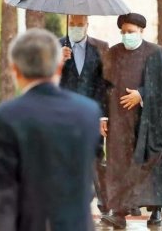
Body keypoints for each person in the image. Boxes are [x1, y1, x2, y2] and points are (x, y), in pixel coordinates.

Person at [0, 28, 101, 231]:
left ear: (15, 70)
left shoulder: (5, 116)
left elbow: (3, 192)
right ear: (59, 67)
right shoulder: (88, 112)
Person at [101, 13, 162, 229]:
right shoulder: (113, 53)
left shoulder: (155, 53)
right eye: (124, 32)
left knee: (149, 166)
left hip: (148, 121)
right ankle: (119, 214)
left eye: (131, 32)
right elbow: (103, 87)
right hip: (120, 121)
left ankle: (155, 211)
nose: (127, 36)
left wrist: (142, 94)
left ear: (141, 31)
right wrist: (103, 116)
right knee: (120, 167)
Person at [60, 14, 110, 218]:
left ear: (87, 25)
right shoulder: (54, 47)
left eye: (80, 24)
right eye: (72, 24)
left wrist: (104, 116)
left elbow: (105, 84)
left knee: (96, 158)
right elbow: (45, 80)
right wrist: (57, 61)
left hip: (92, 113)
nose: (76, 28)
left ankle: (105, 205)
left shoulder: (101, 47)